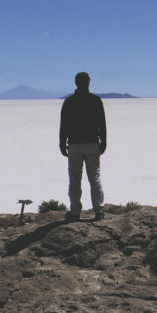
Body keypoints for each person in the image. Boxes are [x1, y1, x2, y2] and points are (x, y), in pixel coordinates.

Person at [59, 72, 107, 220]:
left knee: (74, 179)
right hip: (92, 144)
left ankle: (75, 212)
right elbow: (102, 124)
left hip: (74, 145)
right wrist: (103, 142)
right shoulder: (96, 100)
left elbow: (64, 125)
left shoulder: (69, 102)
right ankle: (99, 211)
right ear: (88, 83)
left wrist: (62, 143)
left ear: (76, 83)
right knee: (95, 178)